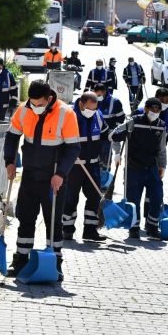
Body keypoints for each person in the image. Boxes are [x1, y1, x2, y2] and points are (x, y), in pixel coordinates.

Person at [4, 80, 81, 280]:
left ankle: (54, 263)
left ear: (48, 99)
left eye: (39, 104)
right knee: (25, 218)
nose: (35, 108)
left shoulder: (66, 113)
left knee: (53, 221)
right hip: (30, 175)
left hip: (53, 178)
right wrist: (9, 161)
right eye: (32, 103)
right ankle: (21, 260)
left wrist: (61, 174)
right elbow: (12, 136)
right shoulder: (24, 109)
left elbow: (73, 148)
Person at [109, 98, 167, 239]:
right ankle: (134, 227)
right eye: (152, 109)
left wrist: (162, 165)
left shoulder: (161, 125)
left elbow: (162, 148)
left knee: (157, 196)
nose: (155, 113)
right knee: (133, 199)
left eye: (158, 110)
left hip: (152, 167)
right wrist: (117, 153)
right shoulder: (133, 121)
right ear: (146, 109)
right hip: (134, 168)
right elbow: (113, 135)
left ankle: (152, 226)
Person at [62, 92, 111, 242]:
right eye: (89, 109)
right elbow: (61, 138)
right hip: (74, 166)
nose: (91, 112)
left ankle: (90, 231)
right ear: (82, 104)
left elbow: (105, 133)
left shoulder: (97, 115)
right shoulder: (70, 116)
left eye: (94, 109)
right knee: (70, 198)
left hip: (92, 165)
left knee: (94, 197)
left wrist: (114, 136)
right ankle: (67, 230)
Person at [133, 88, 168, 218]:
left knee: (154, 191)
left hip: (156, 158)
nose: (165, 103)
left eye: (167, 101)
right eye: (162, 100)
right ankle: (135, 221)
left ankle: (150, 216)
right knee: (136, 190)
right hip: (136, 160)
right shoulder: (140, 113)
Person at [94, 84, 125, 180]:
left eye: (99, 95)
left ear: (104, 92)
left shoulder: (115, 102)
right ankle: (95, 179)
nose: (98, 97)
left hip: (108, 136)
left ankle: (105, 180)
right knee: (95, 158)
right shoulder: (93, 100)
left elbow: (121, 120)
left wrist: (114, 132)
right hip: (95, 135)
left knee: (106, 158)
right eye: (96, 95)